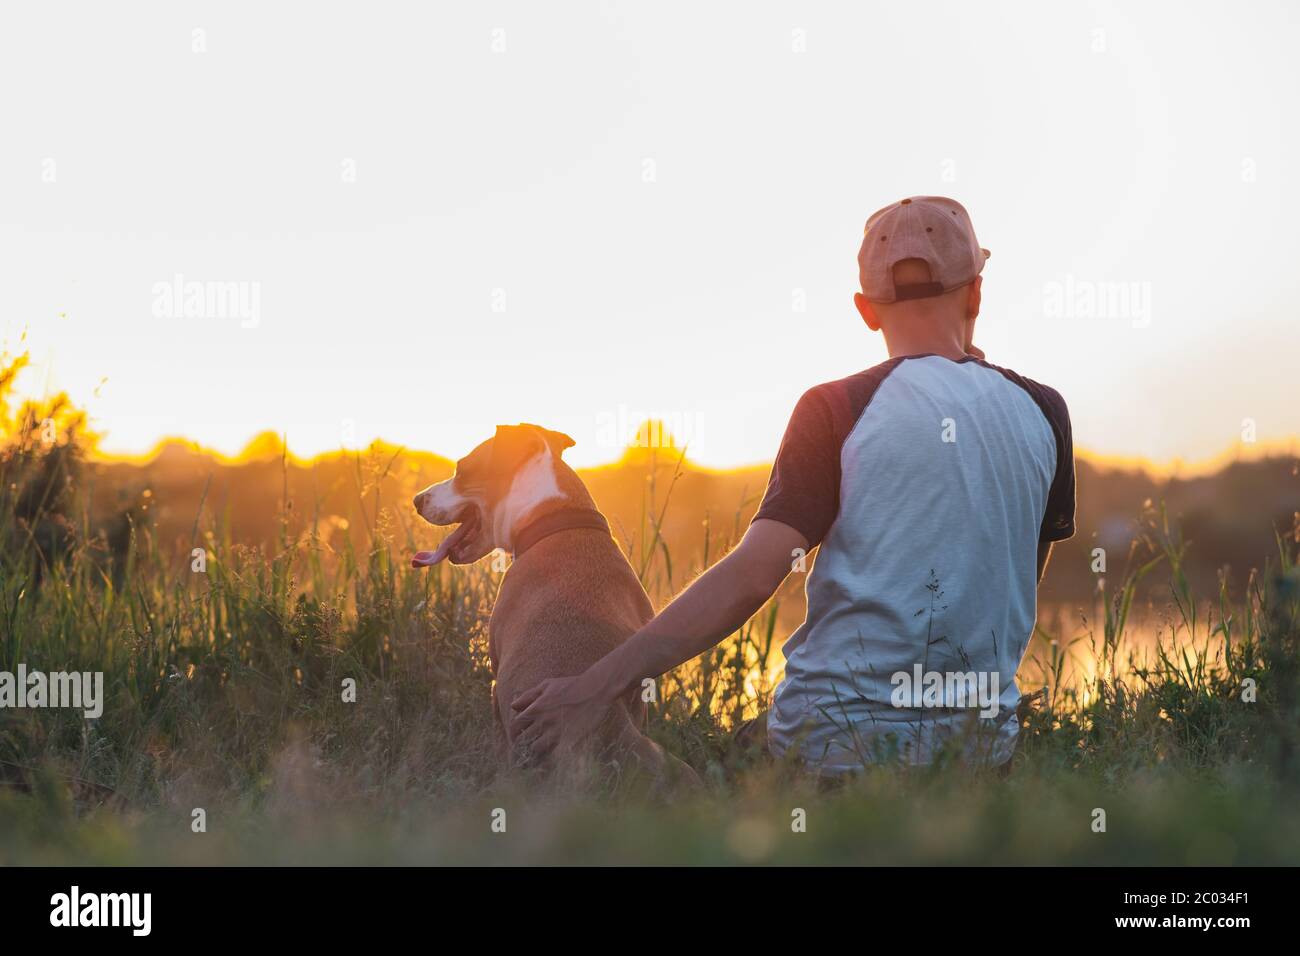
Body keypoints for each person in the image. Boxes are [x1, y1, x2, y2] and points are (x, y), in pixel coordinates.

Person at [512, 196, 1075, 773]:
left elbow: (752, 576)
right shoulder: (1044, 410)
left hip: (829, 749)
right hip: (979, 756)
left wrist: (594, 686)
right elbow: (1014, 579)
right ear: (977, 291)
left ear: (866, 309)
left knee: (704, 774)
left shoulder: (836, 407)